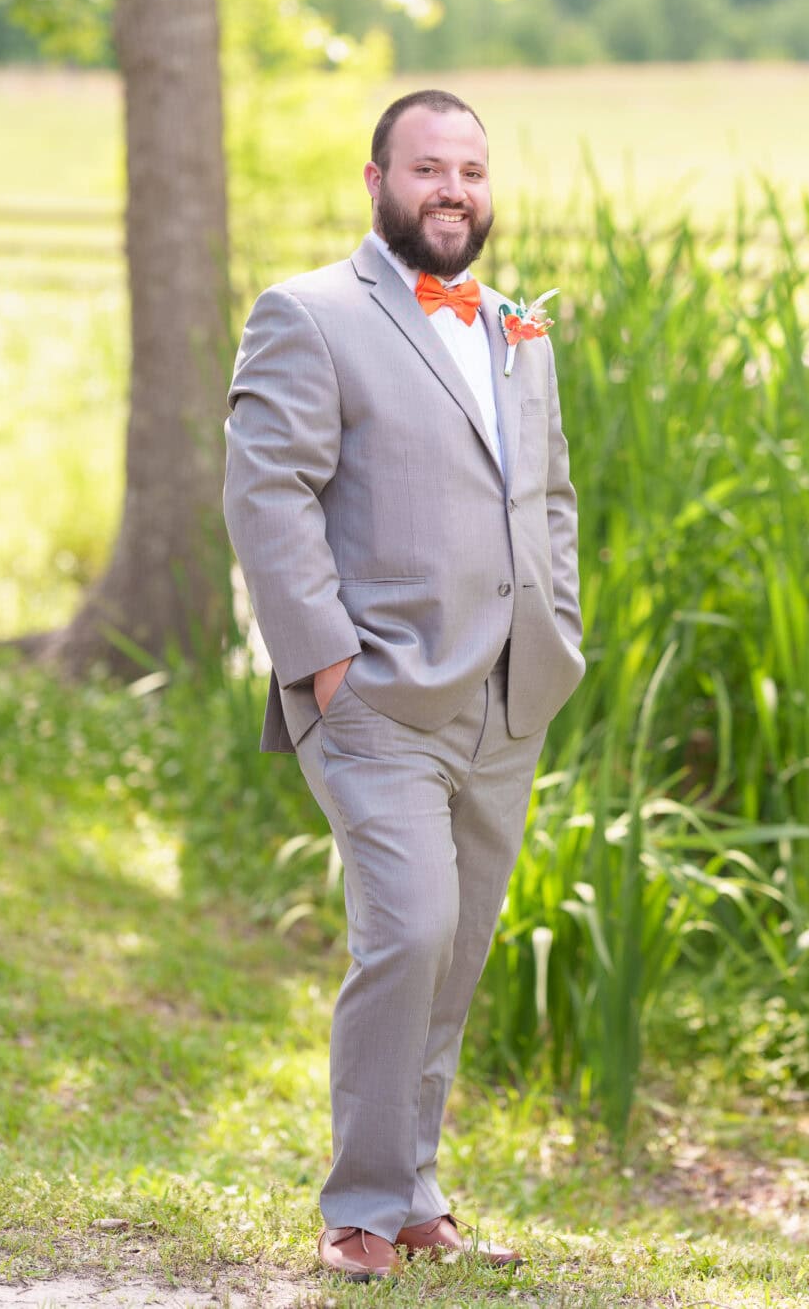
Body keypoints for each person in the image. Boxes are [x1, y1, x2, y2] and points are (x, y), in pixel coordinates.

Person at [223, 89, 584, 1282]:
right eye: (428, 167)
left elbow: (549, 498)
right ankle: (362, 1203)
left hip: (507, 693)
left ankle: (416, 1183)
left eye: (472, 171)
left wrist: (556, 632)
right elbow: (265, 491)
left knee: (459, 944)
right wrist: (323, 662)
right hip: (375, 693)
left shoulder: (511, 325)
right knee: (411, 928)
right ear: (373, 179)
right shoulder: (310, 315)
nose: (453, 190)